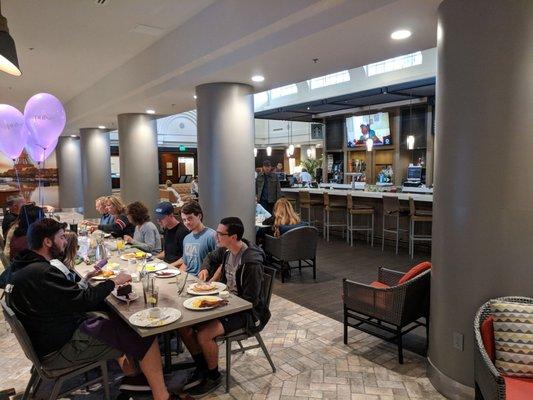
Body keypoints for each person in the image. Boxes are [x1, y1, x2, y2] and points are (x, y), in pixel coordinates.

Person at [5, 219, 183, 400]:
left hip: (46, 341)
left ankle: (135, 379)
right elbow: (84, 301)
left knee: (116, 323)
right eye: (61, 238)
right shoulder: (43, 272)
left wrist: (87, 283)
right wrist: (114, 282)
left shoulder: (21, 267)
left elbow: (68, 298)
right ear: (47, 242)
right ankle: (162, 396)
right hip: (61, 349)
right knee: (144, 335)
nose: (65, 242)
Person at [180, 217, 270, 396]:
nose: (216, 237)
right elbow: (210, 257)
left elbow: (250, 301)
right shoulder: (227, 250)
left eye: (220, 234)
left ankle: (213, 376)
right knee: (184, 327)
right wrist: (206, 268)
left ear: (234, 236)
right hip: (227, 304)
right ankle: (202, 366)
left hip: (246, 313)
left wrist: (218, 301)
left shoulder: (251, 262)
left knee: (205, 334)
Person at [176, 201, 216, 276]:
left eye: (189, 218)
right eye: (184, 220)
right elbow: (186, 264)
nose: (186, 222)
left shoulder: (211, 236)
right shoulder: (186, 238)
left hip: (204, 281)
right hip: (188, 278)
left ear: (199, 216)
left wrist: (211, 281)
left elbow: (221, 264)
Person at [153, 202, 189, 267]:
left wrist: (169, 266)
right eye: (157, 218)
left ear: (171, 215)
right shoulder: (166, 229)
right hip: (166, 265)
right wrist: (153, 258)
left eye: (161, 218)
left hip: (177, 268)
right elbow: (167, 252)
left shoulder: (183, 232)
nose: (158, 221)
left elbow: (186, 258)